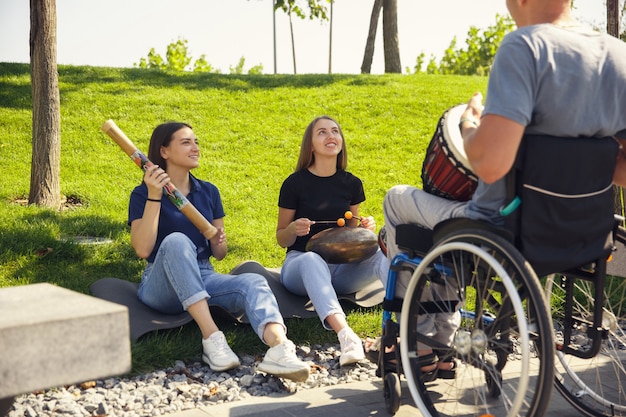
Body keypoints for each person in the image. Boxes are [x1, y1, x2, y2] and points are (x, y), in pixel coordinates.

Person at [381, 0, 626, 377]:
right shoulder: (618, 54)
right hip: (586, 231)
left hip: (504, 226)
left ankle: (415, 344)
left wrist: (469, 123)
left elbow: (490, 163)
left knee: (398, 200)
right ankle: (443, 340)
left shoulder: (525, 46)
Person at [128, 122, 310, 382]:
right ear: (164, 152)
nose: (195, 148)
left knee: (254, 281)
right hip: (160, 284)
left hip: (204, 273)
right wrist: (155, 195)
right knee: (177, 241)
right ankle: (212, 338)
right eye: (186, 142)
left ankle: (280, 349)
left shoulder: (209, 192)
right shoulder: (142, 193)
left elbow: (220, 254)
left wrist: (217, 240)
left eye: (196, 142)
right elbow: (143, 249)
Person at [276, 115, 388, 366]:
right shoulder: (294, 184)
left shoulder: (351, 183)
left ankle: (404, 323)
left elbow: (350, 231)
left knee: (382, 252)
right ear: (311, 145)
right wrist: (293, 228)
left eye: (335, 131)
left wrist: (364, 227)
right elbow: (281, 238)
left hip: (342, 268)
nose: (331, 136)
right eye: (322, 132)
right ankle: (346, 335)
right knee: (312, 259)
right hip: (300, 265)